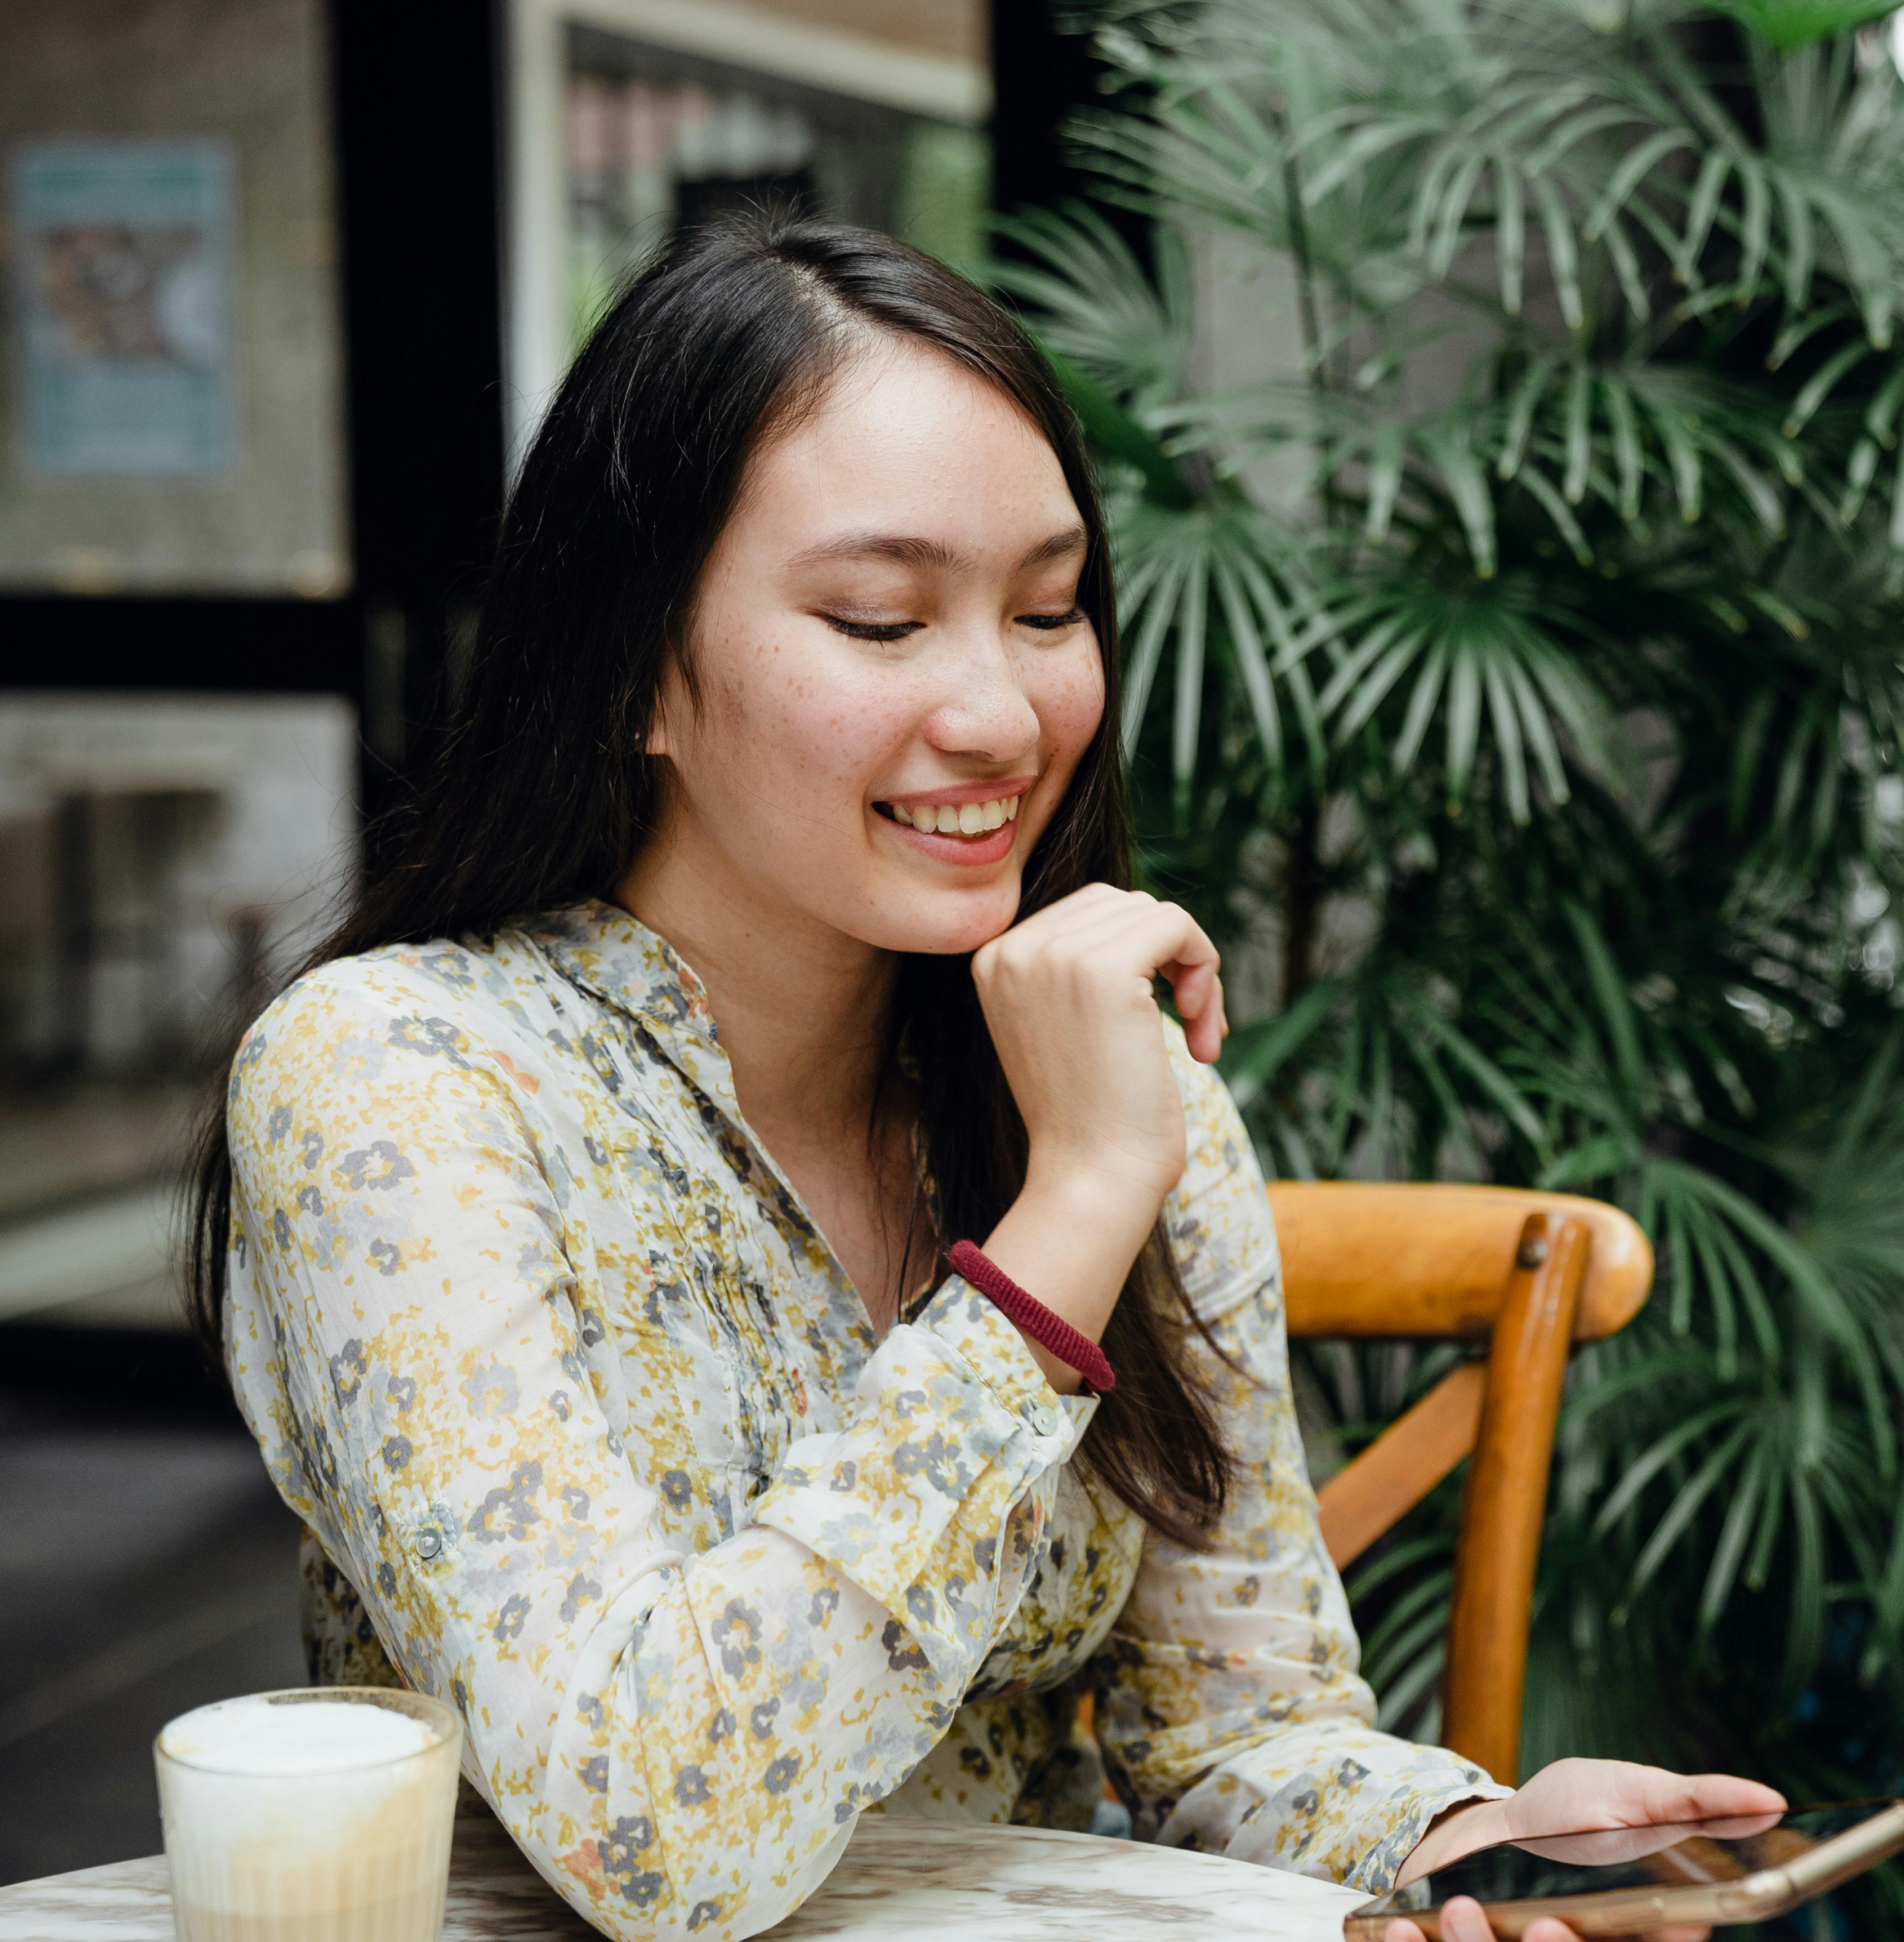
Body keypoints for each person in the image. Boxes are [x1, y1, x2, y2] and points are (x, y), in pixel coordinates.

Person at [192, 218, 1780, 1942]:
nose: (1006, 715)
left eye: (1045, 609)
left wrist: (1463, 1832)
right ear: (634, 663)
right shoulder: (401, 1085)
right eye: (880, 620)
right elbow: (653, 1834)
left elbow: (1233, 1729)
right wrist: (1067, 1221)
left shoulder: (1102, 1082)